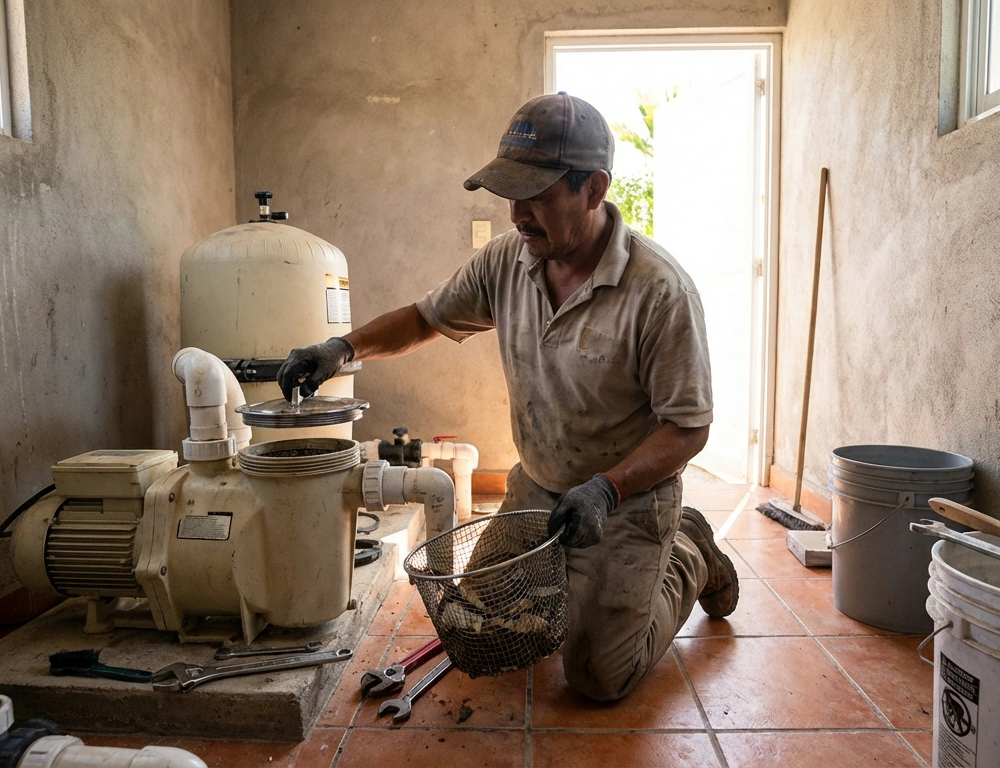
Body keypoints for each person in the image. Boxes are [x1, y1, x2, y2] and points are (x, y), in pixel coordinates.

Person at [278, 93, 739, 702]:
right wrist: (341, 350)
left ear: (594, 188)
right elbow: (423, 318)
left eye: (537, 195)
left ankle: (687, 551)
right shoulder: (506, 262)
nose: (517, 213)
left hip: (628, 500)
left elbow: (688, 428)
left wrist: (607, 488)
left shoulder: (659, 292)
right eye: (510, 195)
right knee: (482, 624)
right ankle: (586, 576)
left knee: (599, 677)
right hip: (537, 487)